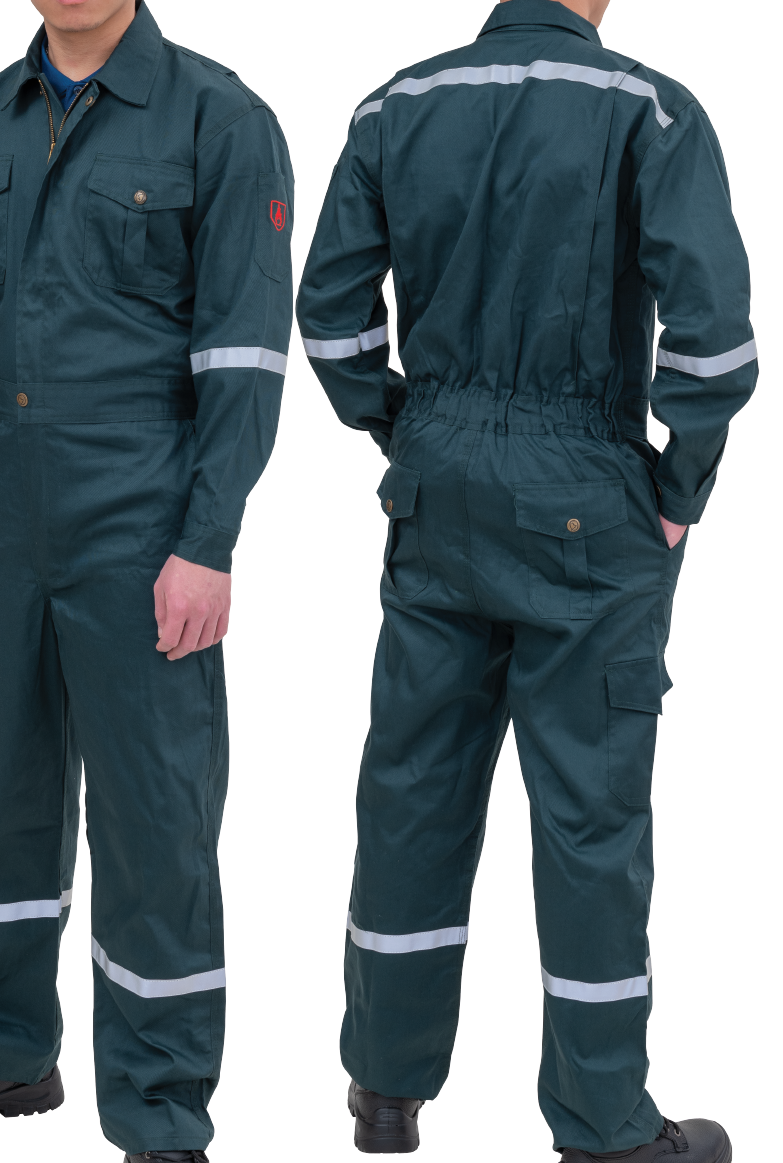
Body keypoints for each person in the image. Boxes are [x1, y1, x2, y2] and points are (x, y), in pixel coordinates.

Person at [296, 0, 754, 1159]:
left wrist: (411, 431)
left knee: (410, 789)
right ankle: (603, 1123)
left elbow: (330, 321)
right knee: (589, 817)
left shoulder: (396, 104)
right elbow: (711, 341)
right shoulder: (647, 110)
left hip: (437, 491)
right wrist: (679, 486)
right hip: (586, 501)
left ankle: (383, 1085)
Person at [0, 1, 293, 1159]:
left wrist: (208, 539)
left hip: (142, 519)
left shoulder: (218, 119)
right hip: (6, 513)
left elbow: (244, 352)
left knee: (156, 819)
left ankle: (160, 1109)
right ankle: (6, 1046)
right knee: (7, 794)